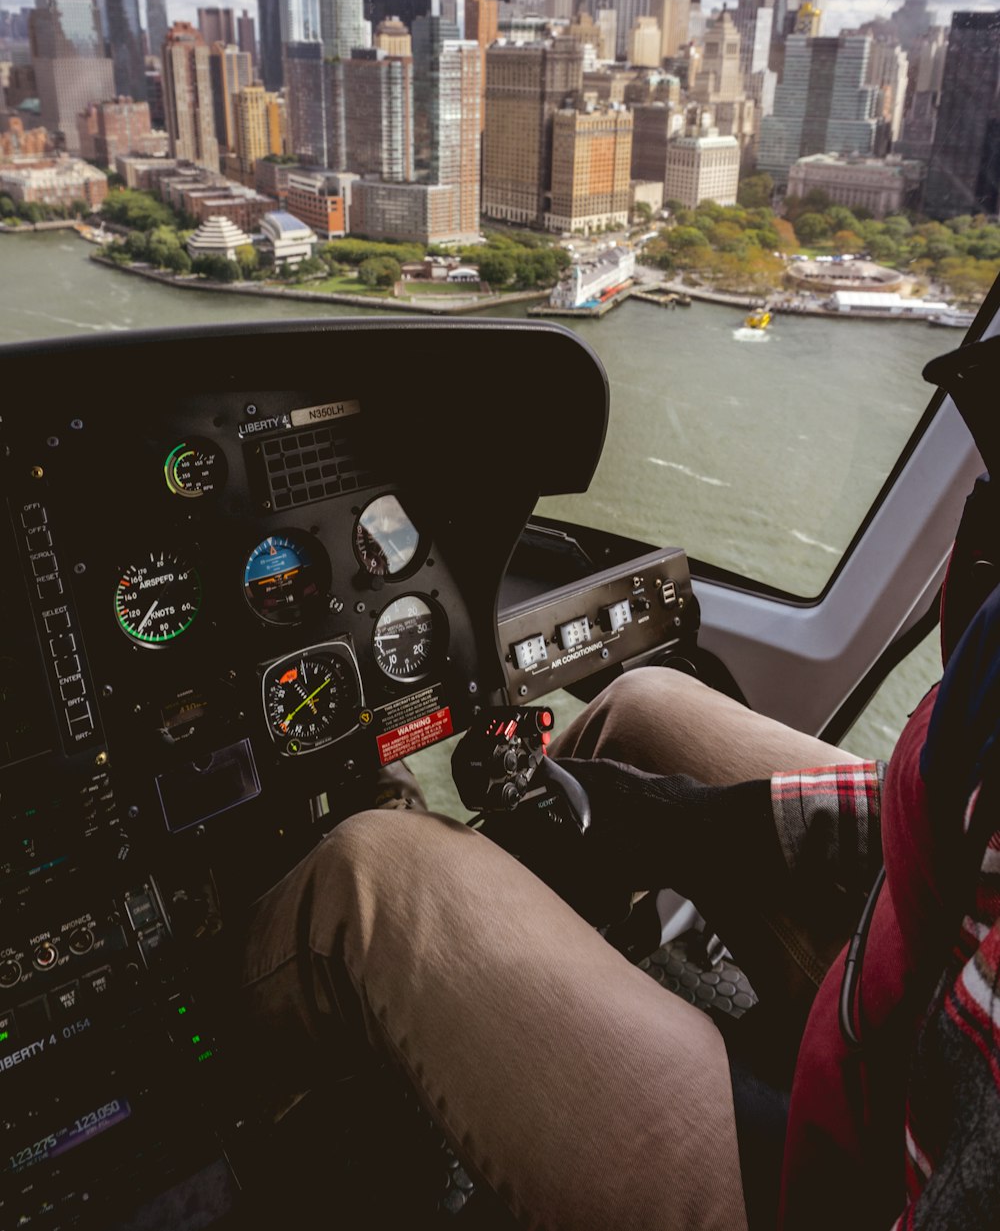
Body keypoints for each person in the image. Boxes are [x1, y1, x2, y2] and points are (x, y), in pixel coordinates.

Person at [240, 339, 1000, 1230]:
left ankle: (189, 1045)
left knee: (371, 873)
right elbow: (964, 814)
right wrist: (687, 817)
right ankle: (492, 997)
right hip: (927, 964)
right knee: (644, 706)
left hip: (853, 1189)